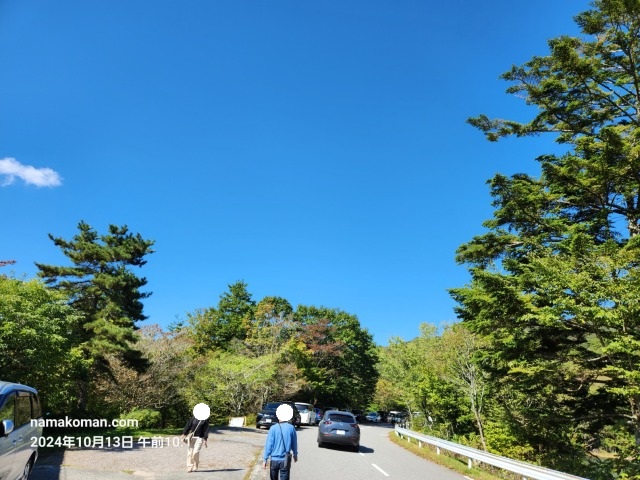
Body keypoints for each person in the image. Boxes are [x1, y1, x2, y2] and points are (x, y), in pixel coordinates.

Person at [263, 403, 298, 480]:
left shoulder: (273, 428)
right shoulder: (291, 428)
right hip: (285, 460)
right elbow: (294, 444)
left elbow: (269, 445)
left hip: (274, 460)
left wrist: (265, 459)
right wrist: (295, 454)